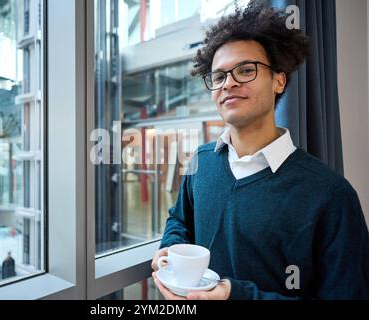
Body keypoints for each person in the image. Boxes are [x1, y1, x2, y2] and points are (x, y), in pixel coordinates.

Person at [151, 1, 369, 300]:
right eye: (218, 76)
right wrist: (170, 247)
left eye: (245, 70)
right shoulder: (201, 161)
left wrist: (235, 296)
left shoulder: (331, 195)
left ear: (279, 80)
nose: (228, 83)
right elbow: (179, 218)